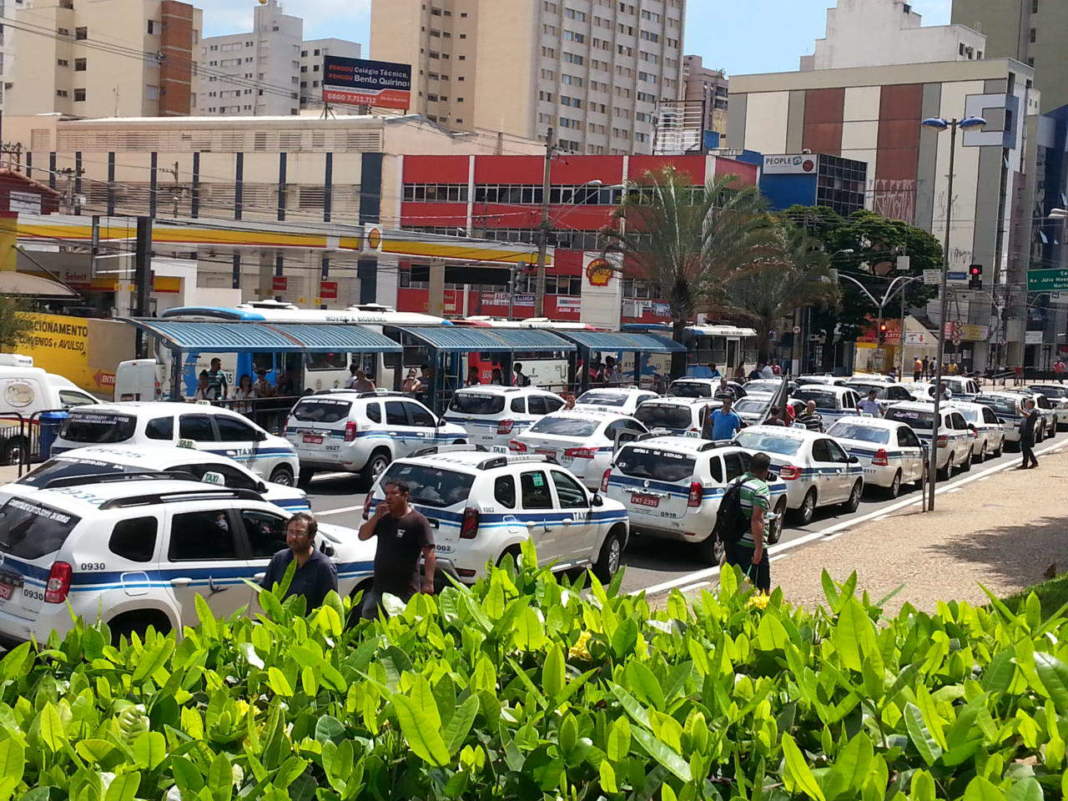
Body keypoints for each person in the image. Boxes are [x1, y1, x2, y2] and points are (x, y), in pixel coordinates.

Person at [358, 481, 436, 619]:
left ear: (405, 496)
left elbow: (429, 554)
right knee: (368, 617)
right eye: (387, 493)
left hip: (405, 590)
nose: (388, 497)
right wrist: (376, 517)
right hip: (380, 588)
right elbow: (362, 536)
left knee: (400, 626)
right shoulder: (383, 519)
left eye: (393, 493)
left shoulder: (418, 521)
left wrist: (429, 582)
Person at [260, 513, 338, 611]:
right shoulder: (279, 559)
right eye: (290, 532)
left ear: (311, 536)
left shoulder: (323, 566)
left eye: (299, 533)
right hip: (282, 623)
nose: (293, 537)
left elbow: (330, 607)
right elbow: (264, 592)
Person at [723, 451, 773, 593]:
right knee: (761, 589)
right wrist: (759, 549)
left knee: (734, 587)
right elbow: (757, 519)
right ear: (766, 469)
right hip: (749, 544)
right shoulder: (760, 488)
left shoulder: (733, 482)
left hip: (731, 541)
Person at [1018, 398, 1039, 470]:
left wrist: (1020, 410)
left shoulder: (1033, 411)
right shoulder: (1028, 410)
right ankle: (1030, 463)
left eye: (1027, 403)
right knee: (1026, 448)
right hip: (1024, 431)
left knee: (1026, 448)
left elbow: (1027, 415)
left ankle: (1028, 463)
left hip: (1028, 432)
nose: (1026, 404)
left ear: (1031, 404)